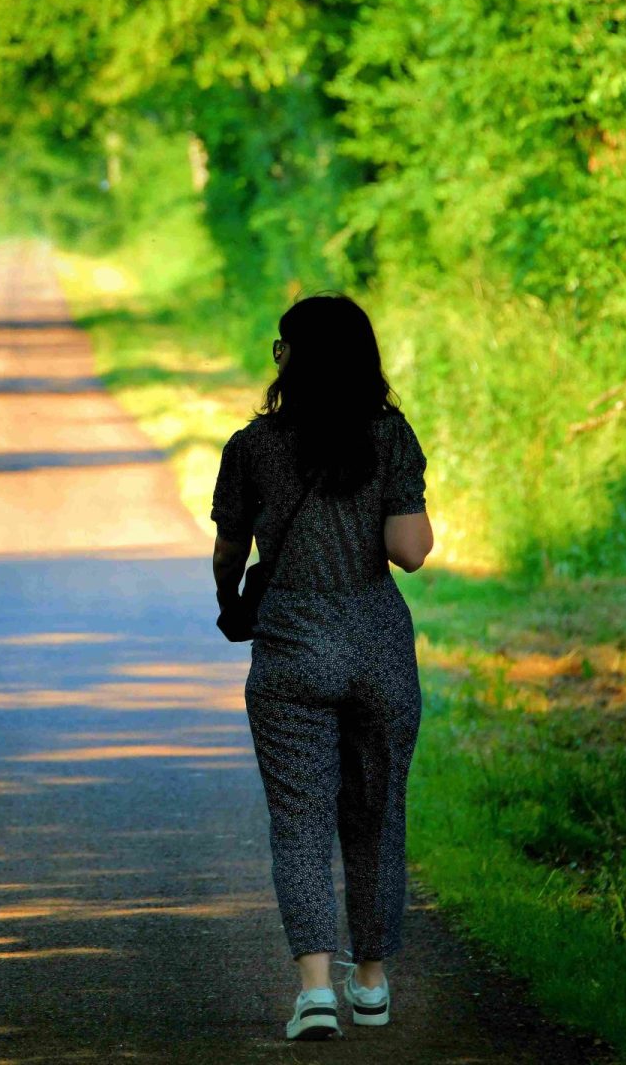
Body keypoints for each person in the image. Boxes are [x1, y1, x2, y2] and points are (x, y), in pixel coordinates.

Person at [211, 294, 435, 1041]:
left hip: (290, 649)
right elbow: (410, 550)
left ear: (290, 360)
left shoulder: (252, 447)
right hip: (376, 646)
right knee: (376, 812)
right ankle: (370, 981)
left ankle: (314, 990)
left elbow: (228, 551)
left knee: (300, 821)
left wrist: (230, 602)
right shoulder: (391, 437)